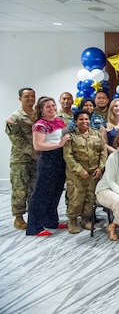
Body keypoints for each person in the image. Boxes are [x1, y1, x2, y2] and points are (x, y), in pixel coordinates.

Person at [26, 96, 71, 236]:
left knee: (55, 191)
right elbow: (38, 145)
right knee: (41, 194)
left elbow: (65, 137)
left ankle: (51, 221)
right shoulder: (40, 125)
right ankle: (34, 227)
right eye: (48, 107)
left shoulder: (59, 120)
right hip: (47, 160)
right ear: (42, 110)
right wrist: (58, 144)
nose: (52, 108)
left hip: (60, 159)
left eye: (53, 105)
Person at [63, 110, 107, 234]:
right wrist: (79, 170)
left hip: (94, 173)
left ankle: (85, 219)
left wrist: (100, 168)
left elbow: (103, 152)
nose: (84, 122)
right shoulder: (70, 136)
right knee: (76, 198)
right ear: (76, 122)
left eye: (86, 119)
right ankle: (72, 221)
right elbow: (68, 156)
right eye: (81, 119)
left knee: (90, 198)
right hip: (76, 175)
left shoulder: (97, 134)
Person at [6, 87, 37, 230]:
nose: (30, 99)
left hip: (37, 159)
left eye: (32, 96)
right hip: (20, 160)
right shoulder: (15, 117)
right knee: (20, 189)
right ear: (20, 99)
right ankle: (18, 218)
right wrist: (31, 151)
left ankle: (33, 215)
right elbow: (15, 138)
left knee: (34, 188)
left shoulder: (37, 115)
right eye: (27, 97)